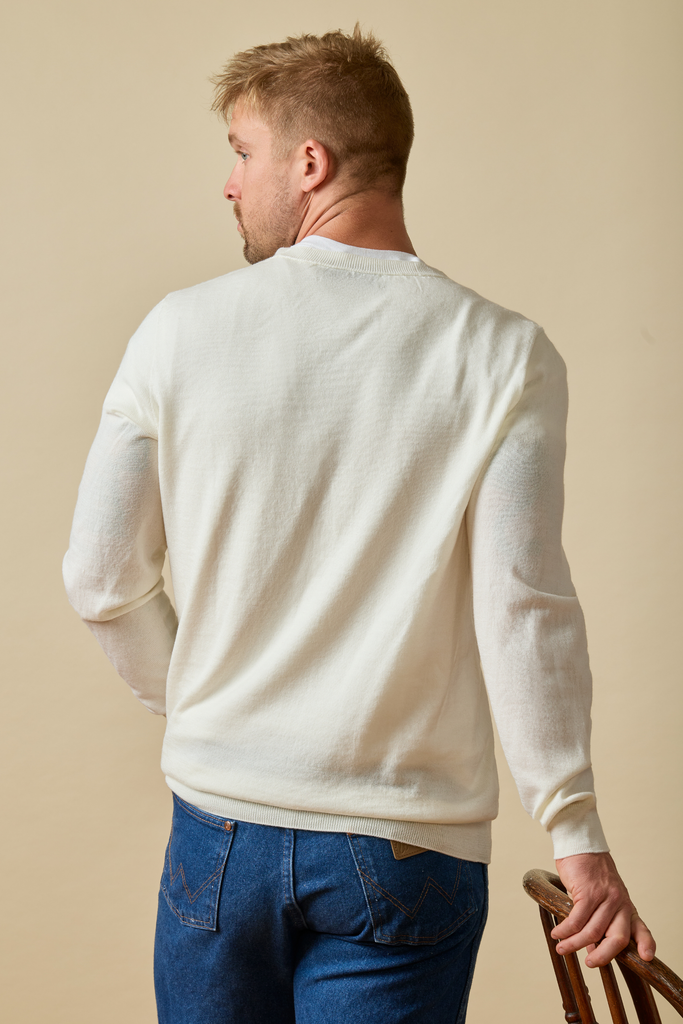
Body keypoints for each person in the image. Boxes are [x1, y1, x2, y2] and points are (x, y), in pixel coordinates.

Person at [63, 25, 655, 1024]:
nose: (228, 184)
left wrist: (208, 708)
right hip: (406, 844)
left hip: (220, 831)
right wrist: (575, 834)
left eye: (241, 152)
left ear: (310, 163)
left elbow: (99, 576)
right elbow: (523, 607)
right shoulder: (503, 355)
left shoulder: (178, 329)